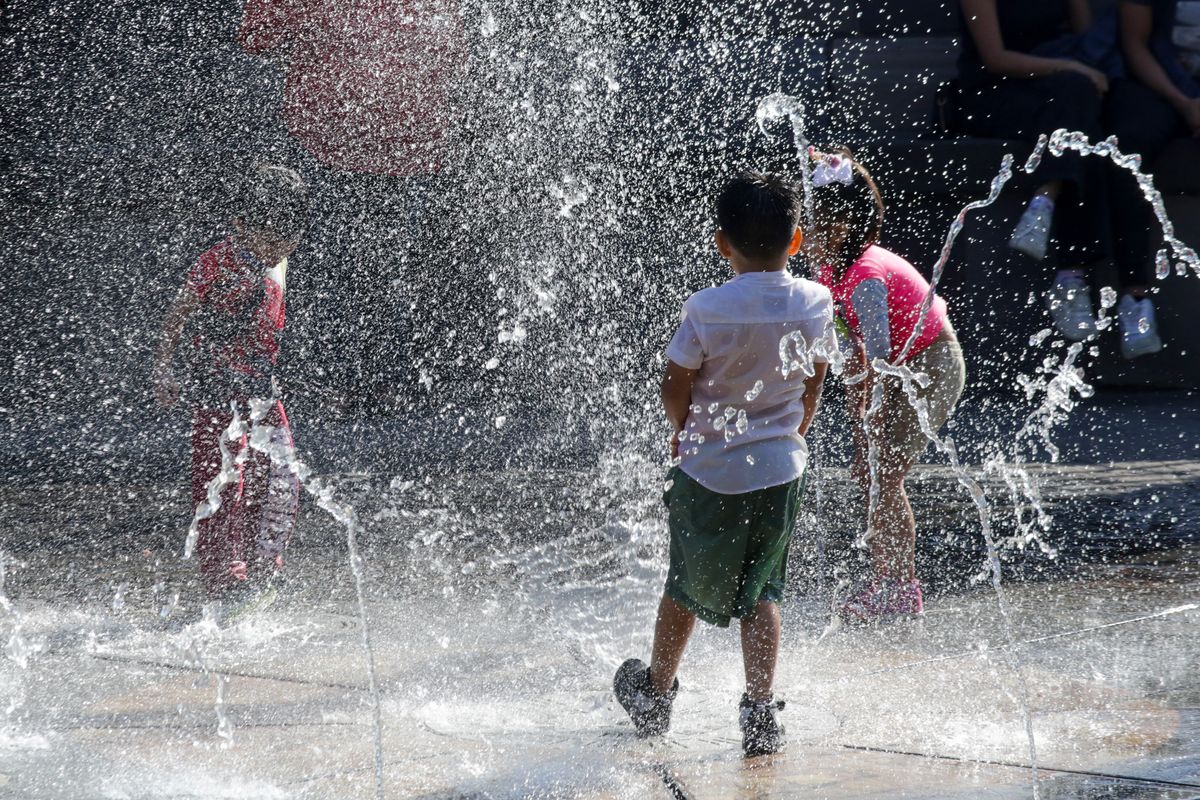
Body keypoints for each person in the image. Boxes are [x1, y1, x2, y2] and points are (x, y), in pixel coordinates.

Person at [613, 173, 834, 757]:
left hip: (710, 469)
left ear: (721, 243)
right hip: (782, 468)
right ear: (796, 241)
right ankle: (760, 711)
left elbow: (675, 380)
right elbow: (815, 374)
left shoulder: (707, 307)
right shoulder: (815, 300)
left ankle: (656, 693)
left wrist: (683, 430)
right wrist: (798, 426)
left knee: (684, 582)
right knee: (764, 590)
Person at [807, 149, 967, 624]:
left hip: (932, 364)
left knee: (885, 475)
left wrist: (868, 419)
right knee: (872, 472)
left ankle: (898, 589)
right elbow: (855, 357)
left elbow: (874, 360)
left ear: (835, 231)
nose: (798, 234)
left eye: (807, 224)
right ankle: (888, 580)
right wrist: (862, 427)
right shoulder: (831, 271)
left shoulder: (863, 280)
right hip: (903, 363)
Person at [955, 0, 1158, 354]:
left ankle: (1052, 212)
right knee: (1078, 109)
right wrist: (1066, 67)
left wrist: (1072, 68)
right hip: (992, 93)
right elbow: (994, 59)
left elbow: (1084, 43)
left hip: (1055, 94)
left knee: (1097, 129)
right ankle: (1092, 281)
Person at [153, 164, 310, 614]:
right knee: (225, 485)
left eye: (289, 240)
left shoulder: (275, 255)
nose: (279, 250)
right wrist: (164, 366)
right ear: (241, 224)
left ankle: (267, 571)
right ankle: (227, 582)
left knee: (282, 480)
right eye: (270, 239)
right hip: (216, 393)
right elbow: (180, 310)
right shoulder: (217, 260)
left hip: (263, 391)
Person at [1104, 0, 1200, 357]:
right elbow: (1135, 44)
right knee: (1126, 148)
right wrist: (1186, 102)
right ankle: (1134, 294)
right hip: (1160, 84)